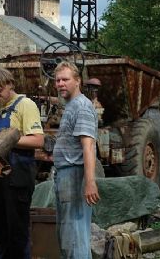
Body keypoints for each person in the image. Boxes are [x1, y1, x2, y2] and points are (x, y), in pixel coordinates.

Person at [0, 68, 44, 259]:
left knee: (17, 231)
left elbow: (38, 140)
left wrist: (6, 140)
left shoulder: (25, 105)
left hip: (18, 175)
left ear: (10, 84)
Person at [53, 61, 100, 258]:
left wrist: (89, 182)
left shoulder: (81, 106)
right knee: (67, 236)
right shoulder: (71, 105)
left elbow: (88, 145)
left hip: (75, 176)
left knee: (75, 237)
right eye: (57, 80)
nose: (60, 84)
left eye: (65, 79)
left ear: (78, 81)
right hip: (65, 174)